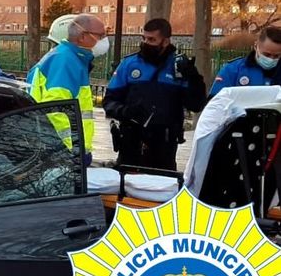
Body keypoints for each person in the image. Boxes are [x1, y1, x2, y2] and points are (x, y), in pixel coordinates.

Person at [103, 18, 206, 171]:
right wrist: (125, 111)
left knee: (162, 182)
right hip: (131, 138)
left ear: (165, 41)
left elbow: (196, 104)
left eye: (152, 39)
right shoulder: (129, 64)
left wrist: (194, 79)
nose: (146, 43)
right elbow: (109, 101)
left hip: (164, 142)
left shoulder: (179, 67)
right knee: (127, 180)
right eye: (144, 38)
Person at [27, 13, 109, 166]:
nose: (104, 40)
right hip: (64, 153)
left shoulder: (67, 58)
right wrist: (72, 150)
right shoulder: (66, 61)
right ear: (83, 36)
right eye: (101, 35)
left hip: (59, 150)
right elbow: (57, 110)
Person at [209, 26, 281, 98]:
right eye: (267, 54)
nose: (271, 59)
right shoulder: (232, 70)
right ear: (256, 46)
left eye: (276, 56)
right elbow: (215, 100)